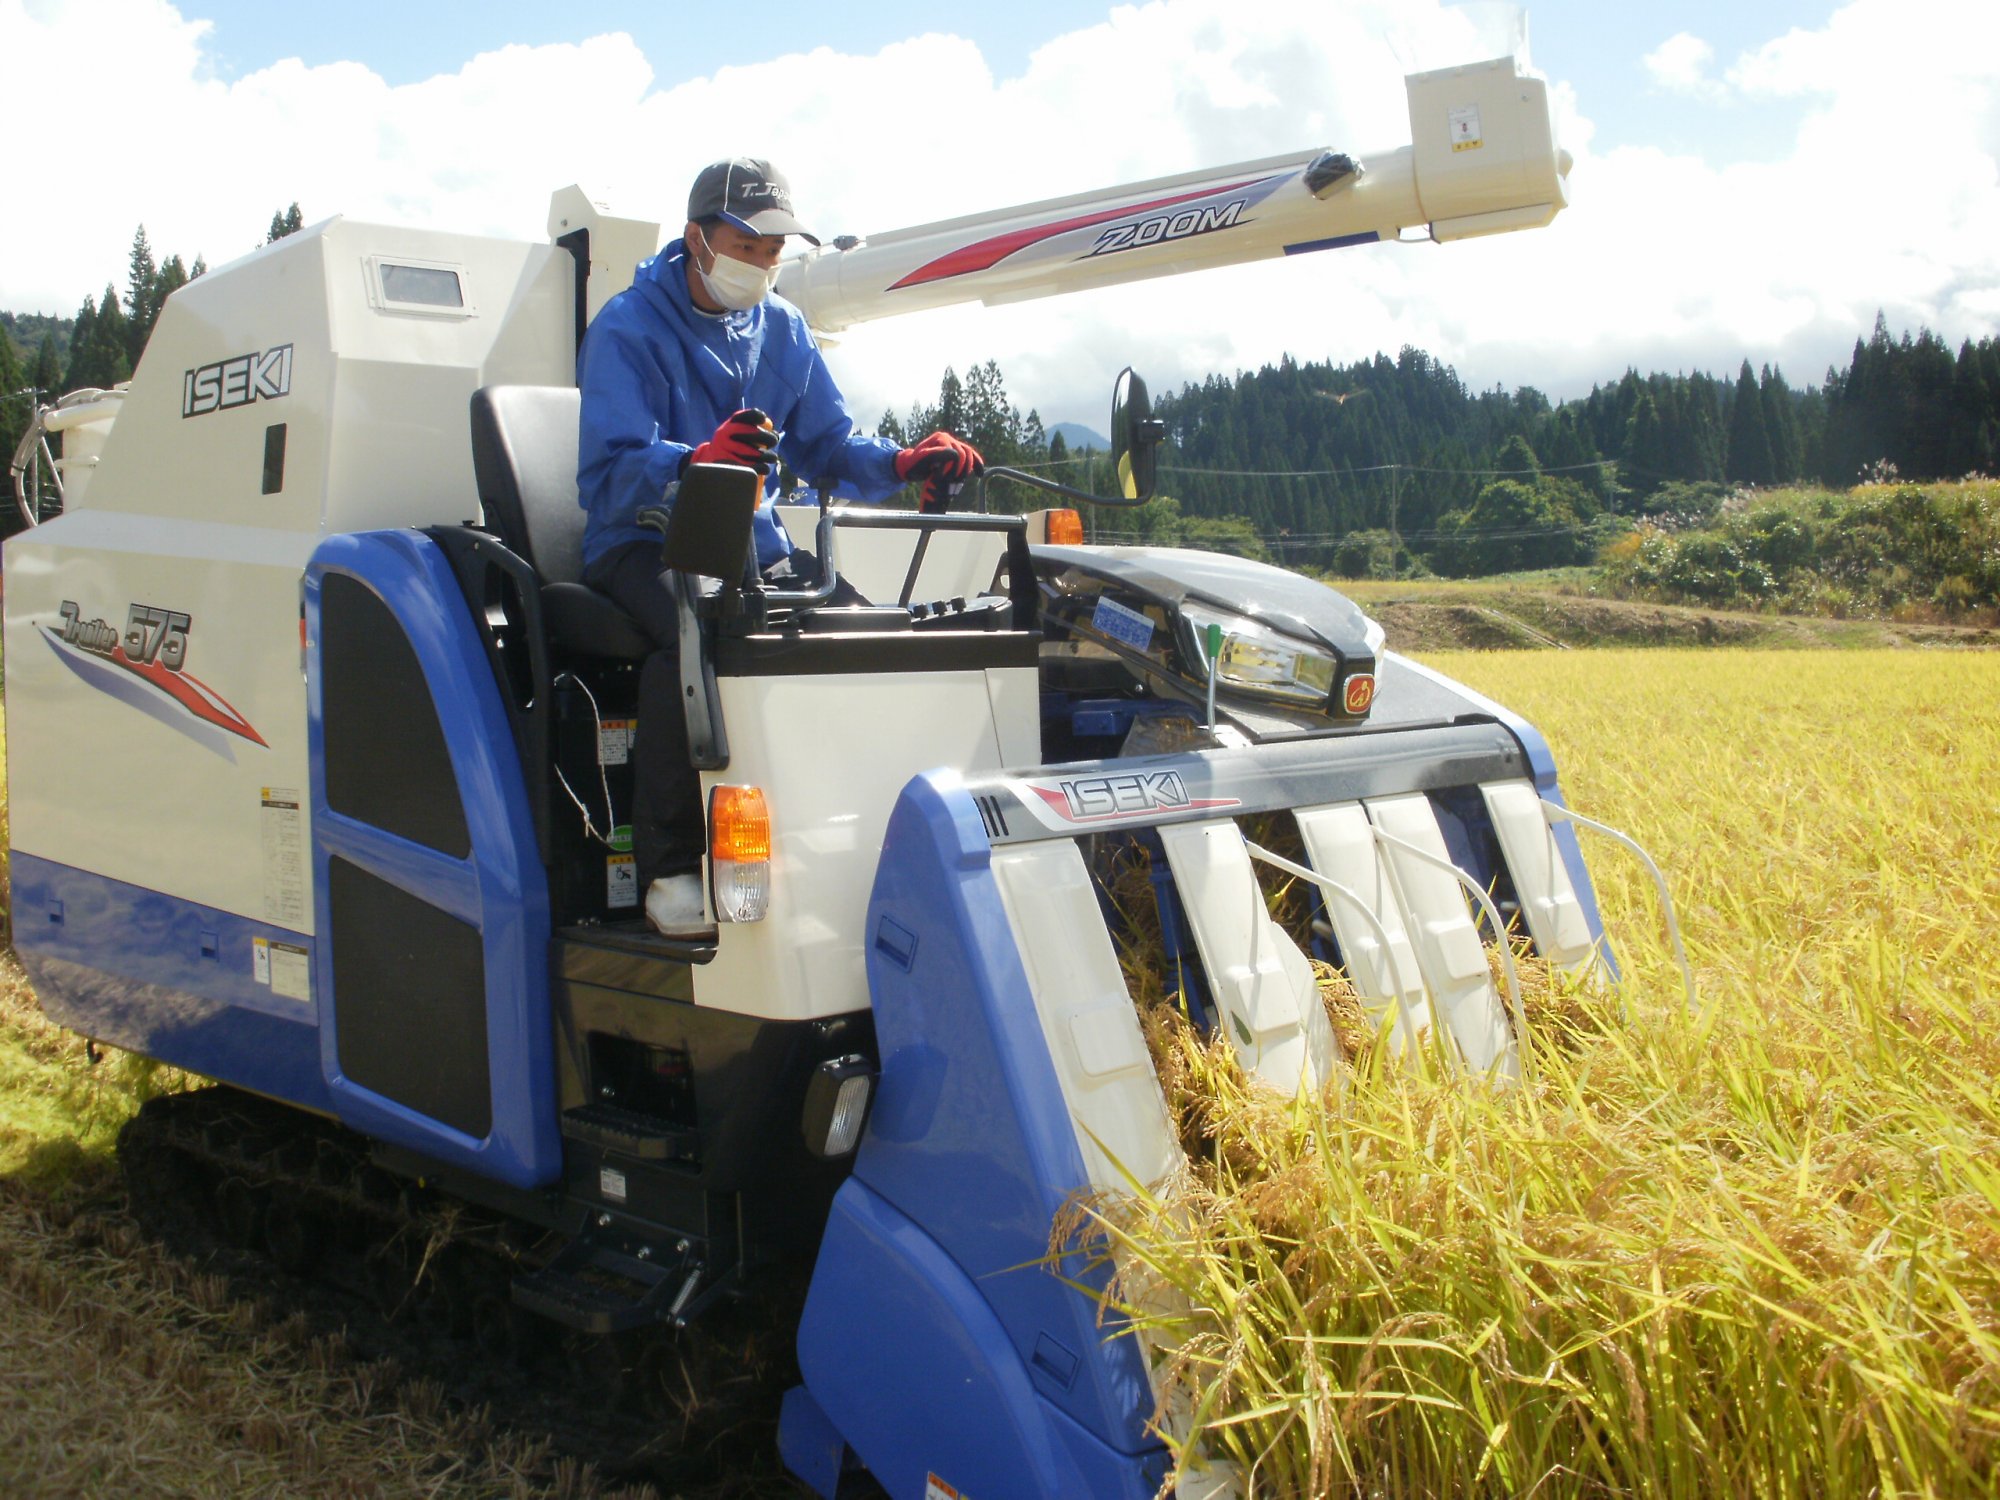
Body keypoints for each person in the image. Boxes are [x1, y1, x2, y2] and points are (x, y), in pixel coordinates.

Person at [577, 156, 983, 937]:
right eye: (747, 244)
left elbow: (827, 445)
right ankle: (668, 870)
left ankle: (856, 842)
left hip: (749, 546)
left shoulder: (782, 327)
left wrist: (899, 462)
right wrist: (695, 460)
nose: (761, 263)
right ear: (697, 238)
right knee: (698, 636)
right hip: (644, 544)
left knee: (865, 633)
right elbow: (608, 473)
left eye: (773, 251)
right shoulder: (626, 329)